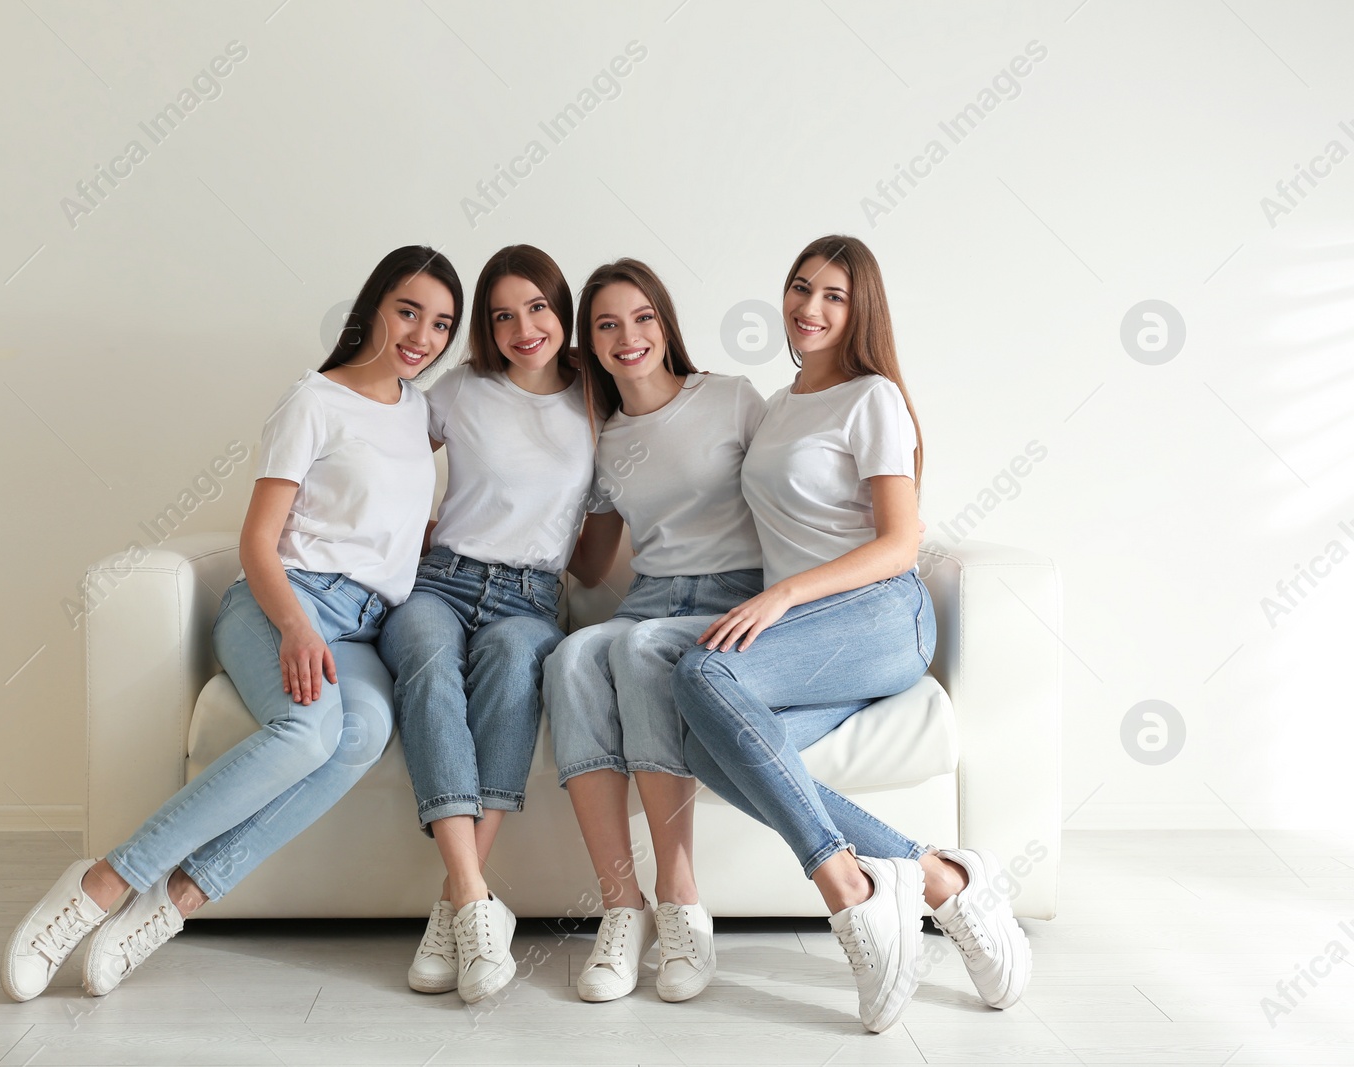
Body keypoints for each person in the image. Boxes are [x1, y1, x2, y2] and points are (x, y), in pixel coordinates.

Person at [0, 245, 462, 1002]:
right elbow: (257, 539)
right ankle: (100, 884)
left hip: (367, 625)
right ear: (373, 306)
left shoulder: (418, 412)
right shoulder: (313, 398)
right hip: (283, 600)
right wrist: (297, 627)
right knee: (309, 729)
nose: (422, 335)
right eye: (408, 310)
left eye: (442, 323)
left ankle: (175, 901)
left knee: (361, 733)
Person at [672, 235, 1031, 1032]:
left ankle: (853, 889)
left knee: (702, 676)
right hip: (811, 640)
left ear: (859, 308)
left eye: (833, 295)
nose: (809, 307)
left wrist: (786, 594)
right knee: (700, 745)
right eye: (801, 288)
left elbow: (900, 542)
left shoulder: (874, 397)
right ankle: (941, 877)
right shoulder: (778, 404)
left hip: (881, 617)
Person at [377, 245, 619, 1003]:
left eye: (538, 307)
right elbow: (382, 461)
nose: (524, 328)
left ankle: (456, 904)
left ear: (562, 309)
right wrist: (401, 534)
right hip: (441, 579)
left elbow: (598, 552)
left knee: (516, 669)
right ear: (485, 326)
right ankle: (477, 905)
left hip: (530, 598)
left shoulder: (595, 399)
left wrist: (556, 553)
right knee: (422, 657)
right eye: (503, 315)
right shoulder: (461, 389)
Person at [544, 258, 768, 1004]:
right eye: (606, 324)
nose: (627, 335)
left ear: (666, 323)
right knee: (571, 656)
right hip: (652, 596)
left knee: (638, 648)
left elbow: (791, 494)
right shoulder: (603, 439)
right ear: (593, 345)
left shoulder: (732, 399)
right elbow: (592, 557)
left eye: (641, 317)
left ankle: (681, 900)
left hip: (732, 597)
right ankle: (621, 905)